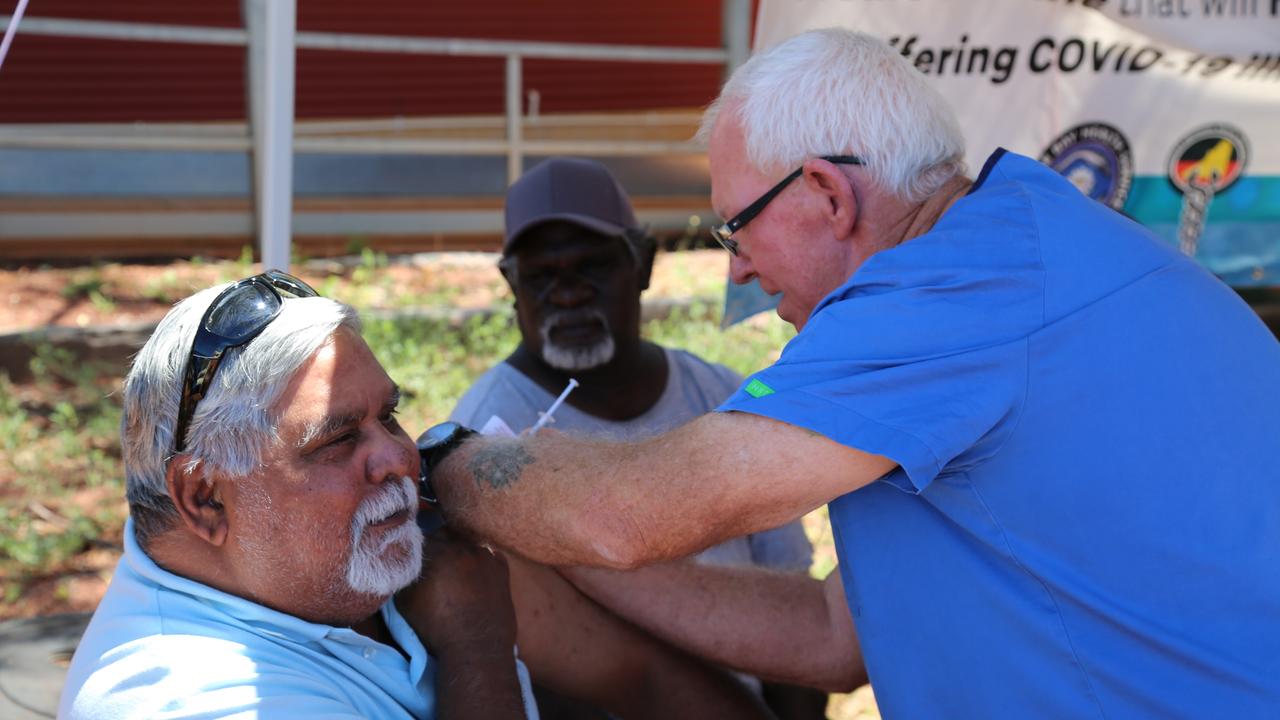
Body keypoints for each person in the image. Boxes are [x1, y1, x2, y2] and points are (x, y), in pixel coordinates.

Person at [419, 29, 1280, 718]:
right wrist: (567, 548)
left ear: (829, 195)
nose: (742, 272)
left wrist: (444, 457)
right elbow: (836, 635)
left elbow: (624, 514)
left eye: (734, 230)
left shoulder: (941, 297)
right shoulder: (1023, 241)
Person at [59, 272, 773, 719]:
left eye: (389, 415)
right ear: (205, 500)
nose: (399, 459)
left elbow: (643, 680)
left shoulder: (355, 562)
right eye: (337, 440)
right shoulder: (183, 698)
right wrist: (476, 649)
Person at [449, 156, 823, 719]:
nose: (568, 295)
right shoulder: (487, 434)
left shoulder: (722, 396)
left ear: (643, 263)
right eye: (542, 276)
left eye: (591, 268)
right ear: (510, 284)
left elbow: (796, 607)